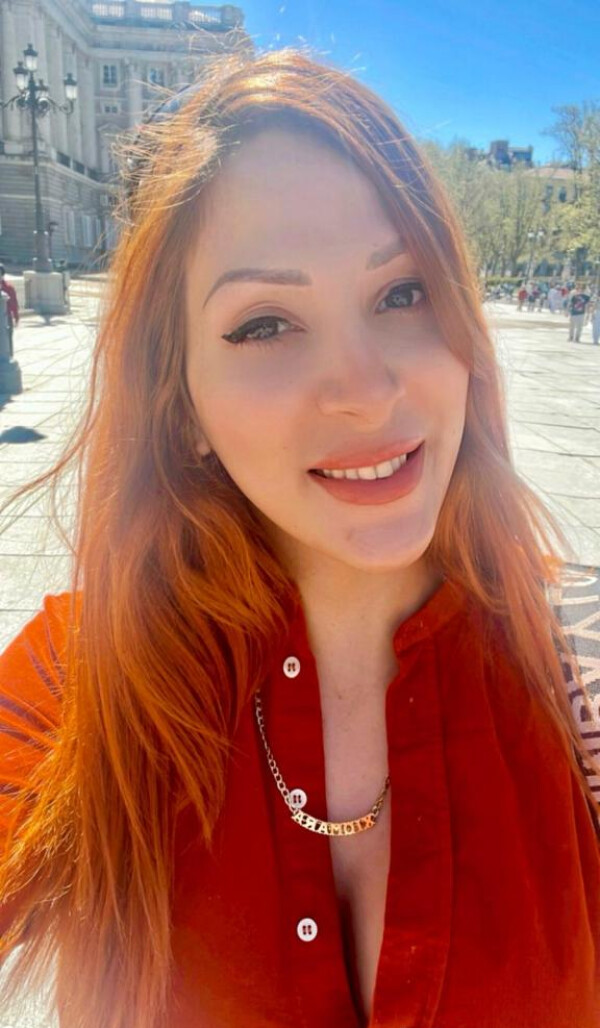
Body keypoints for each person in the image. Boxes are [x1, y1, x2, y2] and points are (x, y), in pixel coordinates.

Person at [0, 50, 599, 1028]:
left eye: (402, 293)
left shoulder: (583, 650)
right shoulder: (82, 682)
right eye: (267, 323)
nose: (365, 390)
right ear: (181, 402)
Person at [0, 264, 19, 357]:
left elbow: (14, 303)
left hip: (6, 316)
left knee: (8, 336)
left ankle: (9, 355)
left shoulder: (8, 287)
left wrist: (16, 316)